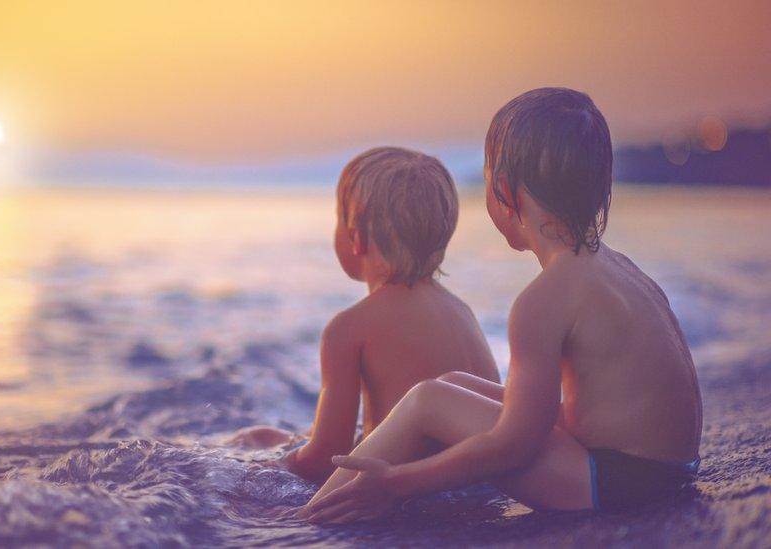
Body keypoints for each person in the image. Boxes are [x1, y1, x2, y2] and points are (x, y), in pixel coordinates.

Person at [301, 88, 703, 522]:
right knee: (453, 382)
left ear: (505, 193)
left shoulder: (544, 300)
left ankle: (309, 518)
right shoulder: (616, 269)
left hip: (618, 485)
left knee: (428, 400)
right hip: (659, 470)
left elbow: (514, 447)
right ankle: (340, 493)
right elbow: (572, 411)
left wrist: (400, 481)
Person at [229, 146, 499, 485]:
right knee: (272, 436)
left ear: (356, 239)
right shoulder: (462, 312)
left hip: (402, 496)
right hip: (472, 484)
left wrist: (259, 466)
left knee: (251, 440)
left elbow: (325, 458)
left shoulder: (349, 329)